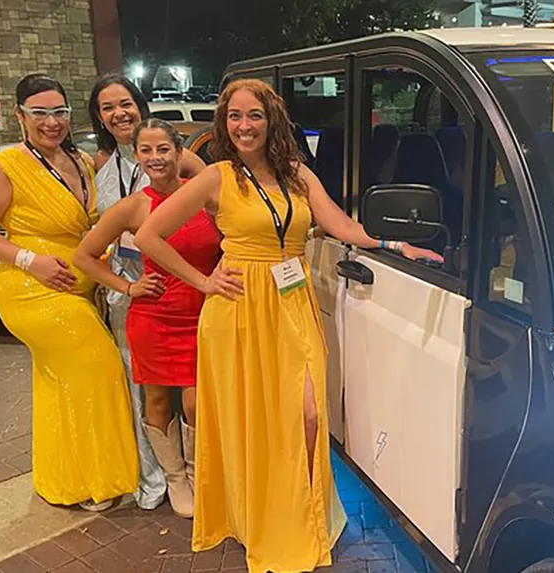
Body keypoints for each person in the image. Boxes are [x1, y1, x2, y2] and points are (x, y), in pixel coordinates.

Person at [134, 78, 442, 572]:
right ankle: (261, 518)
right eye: (234, 116)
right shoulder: (216, 177)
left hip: (291, 300)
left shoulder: (296, 174)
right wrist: (203, 280)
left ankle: (302, 514)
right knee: (253, 421)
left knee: (309, 415)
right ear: (224, 123)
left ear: (271, 119)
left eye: (253, 115)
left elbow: (343, 227)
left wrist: (395, 246)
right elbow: (149, 235)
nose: (244, 125)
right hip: (238, 309)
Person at [0, 73, 138, 511]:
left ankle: (66, 479)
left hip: (77, 288)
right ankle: (101, 478)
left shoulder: (79, 161)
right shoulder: (6, 166)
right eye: (39, 113)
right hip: (30, 290)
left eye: (59, 112)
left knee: (59, 384)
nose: (51, 122)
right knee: (99, 367)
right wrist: (30, 261)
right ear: (20, 115)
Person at [73, 119, 222, 518]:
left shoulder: (205, 198)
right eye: (146, 151)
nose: (156, 158)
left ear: (178, 151)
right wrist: (126, 287)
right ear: (137, 156)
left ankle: (197, 472)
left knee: (197, 403)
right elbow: (83, 256)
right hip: (154, 315)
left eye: (163, 149)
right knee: (157, 400)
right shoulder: (132, 207)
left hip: (206, 313)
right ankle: (176, 480)